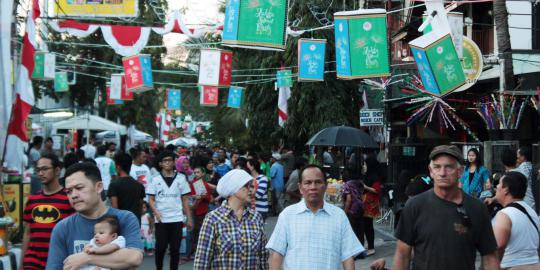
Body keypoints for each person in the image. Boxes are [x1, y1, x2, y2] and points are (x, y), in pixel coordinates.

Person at [393, 145, 499, 270]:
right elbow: (402, 254)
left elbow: (489, 256)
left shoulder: (477, 208)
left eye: (449, 167)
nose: (442, 173)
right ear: (431, 171)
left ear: (460, 171)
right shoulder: (414, 206)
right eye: (437, 167)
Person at [46, 162, 143, 269]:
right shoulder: (62, 228)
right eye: (69, 191)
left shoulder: (125, 218)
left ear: (99, 187)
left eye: (79, 188)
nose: (73, 195)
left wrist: (86, 258)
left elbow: (134, 257)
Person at [267, 164, 364, 270]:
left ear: (325, 186)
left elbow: (348, 256)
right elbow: (277, 253)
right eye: (308, 183)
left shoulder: (339, 216)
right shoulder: (287, 215)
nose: (313, 187)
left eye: (318, 182)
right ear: (300, 187)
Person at [193, 169, 268, 269]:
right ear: (234, 188)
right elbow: (202, 259)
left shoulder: (256, 217)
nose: (252, 190)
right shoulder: (213, 218)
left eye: (252, 186)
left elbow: (263, 256)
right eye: (247, 186)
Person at [22, 154, 75, 269]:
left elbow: (73, 233)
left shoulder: (69, 198)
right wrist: (21, 263)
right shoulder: (32, 200)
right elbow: (27, 233)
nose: (40, 173)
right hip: (32, 261)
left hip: (58, 261)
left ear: (57, 171)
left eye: (45, 169)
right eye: (38, 170)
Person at [147, 151, 193, 270]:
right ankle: (159, 268)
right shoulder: (155, 179)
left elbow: (185, 200)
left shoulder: (181, 178)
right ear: (161, 163)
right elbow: (150, 199)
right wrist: (155, 211)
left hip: (177, 218)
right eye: (165, 161)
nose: (167, 163)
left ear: (174, 162)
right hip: (161, 219)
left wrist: (189, 218)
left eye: (170, 160)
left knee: (175, 249)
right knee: (160, 248)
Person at [492, 171, 540, 269]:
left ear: (506, 189)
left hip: (512, 266)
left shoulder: (505, 214)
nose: (497, 187)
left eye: (499, 184)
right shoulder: (532, 212)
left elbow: (499, 246)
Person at [107, 153, 145, 223]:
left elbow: (114, 209)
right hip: (135, 222)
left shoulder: (114, 185)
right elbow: (140, 208)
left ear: (117, 167)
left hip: (121, 223)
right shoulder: (139, 185)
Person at [187, 167, 213, 259]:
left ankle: (198, 252)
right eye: (194, 172)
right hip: (194, 210)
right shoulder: (193, 183)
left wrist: (202, 196)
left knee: (200, 233)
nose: (196, 174)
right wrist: (194, 196)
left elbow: (209, 198)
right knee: (194, 232)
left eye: (198, 172)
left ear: (202, 174)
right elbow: (189, 195)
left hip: (202, 211)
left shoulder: (204, 184)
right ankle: (192, 252)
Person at [342, 168, 365, 260]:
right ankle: (360, 253)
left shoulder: (347, 184)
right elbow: (362, 194)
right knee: (360, 230)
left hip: (352, 209)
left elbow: (349, 199)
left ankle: (354, 254)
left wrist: (345, 211)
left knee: (352, 231)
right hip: (360, 208)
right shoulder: (359, 183)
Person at [362, 156, 381, 256]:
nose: (364, 166)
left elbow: (376, 190)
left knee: (368, 225)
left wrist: (365, 187)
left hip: (370, 204)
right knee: (366, 225)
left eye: (365, 164)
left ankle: (371, 248)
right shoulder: (367, 175)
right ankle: (369, 245)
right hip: (366, 203)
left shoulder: (374, 176)